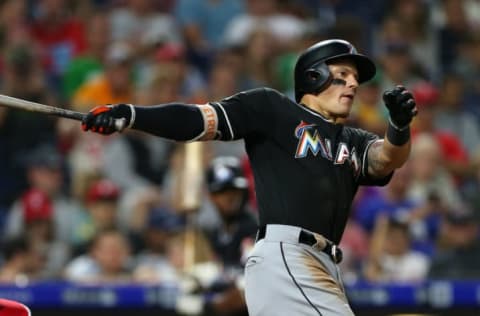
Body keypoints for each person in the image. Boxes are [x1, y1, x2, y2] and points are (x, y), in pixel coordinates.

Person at [81, 39, 417, 315]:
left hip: (322, 264)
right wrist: (131, 114)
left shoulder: (352, 140)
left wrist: (399, 127)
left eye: (355, 77)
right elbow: (197, 120)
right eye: (343, 73)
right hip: (288, 256)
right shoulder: (273, 109)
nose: (354, 83)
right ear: (314, 76)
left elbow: (386, 160)